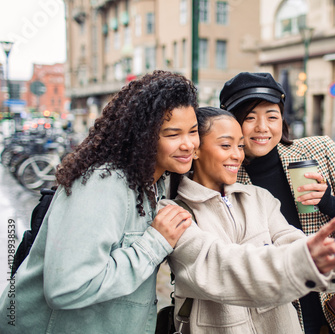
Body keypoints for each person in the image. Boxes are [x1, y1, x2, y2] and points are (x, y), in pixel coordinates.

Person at [0, 71, 198, 333]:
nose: (188, 144)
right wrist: (154, 244)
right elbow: (66, 287)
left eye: (193, 131)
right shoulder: (103, 184)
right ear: (143, 136)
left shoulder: (155, 182)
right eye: (173, 135)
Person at [161, 106, 335, 333]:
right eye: (226, 145)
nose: (237, 155)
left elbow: (294, 243)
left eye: (241, 145)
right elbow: (224, 266)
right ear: (196, 150)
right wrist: (307, 259)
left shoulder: (260, 198)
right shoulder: (174, 214)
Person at [219, 72, 335, 333]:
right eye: (249, 117)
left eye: (272, 116)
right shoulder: (228, 178)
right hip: (283, 316)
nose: (262, 127)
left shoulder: (320, 150)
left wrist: (327, 202)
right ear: (232, 123)